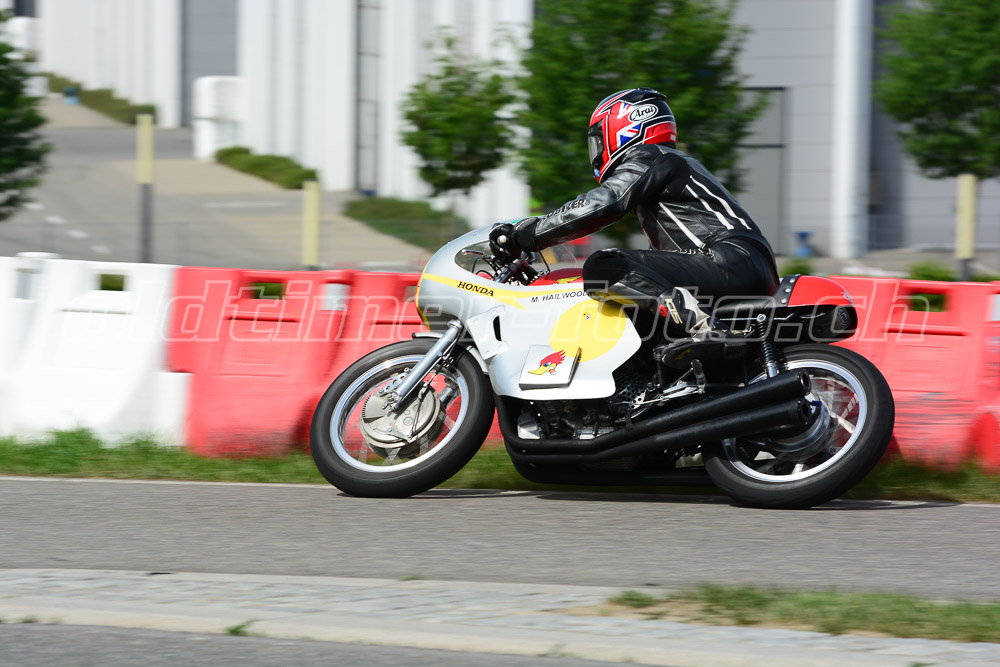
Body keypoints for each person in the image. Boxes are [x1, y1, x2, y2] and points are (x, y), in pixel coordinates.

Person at [489, 87, 779, 362]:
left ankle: (704, 327)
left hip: (727, 259)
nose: (596, 150)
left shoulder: (652, 156)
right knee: (639, 300)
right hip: (745, 263)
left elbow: (604, 203)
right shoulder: (672, 165)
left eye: (598, 140)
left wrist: (528, 234)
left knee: (606, 267)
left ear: (625, 128)